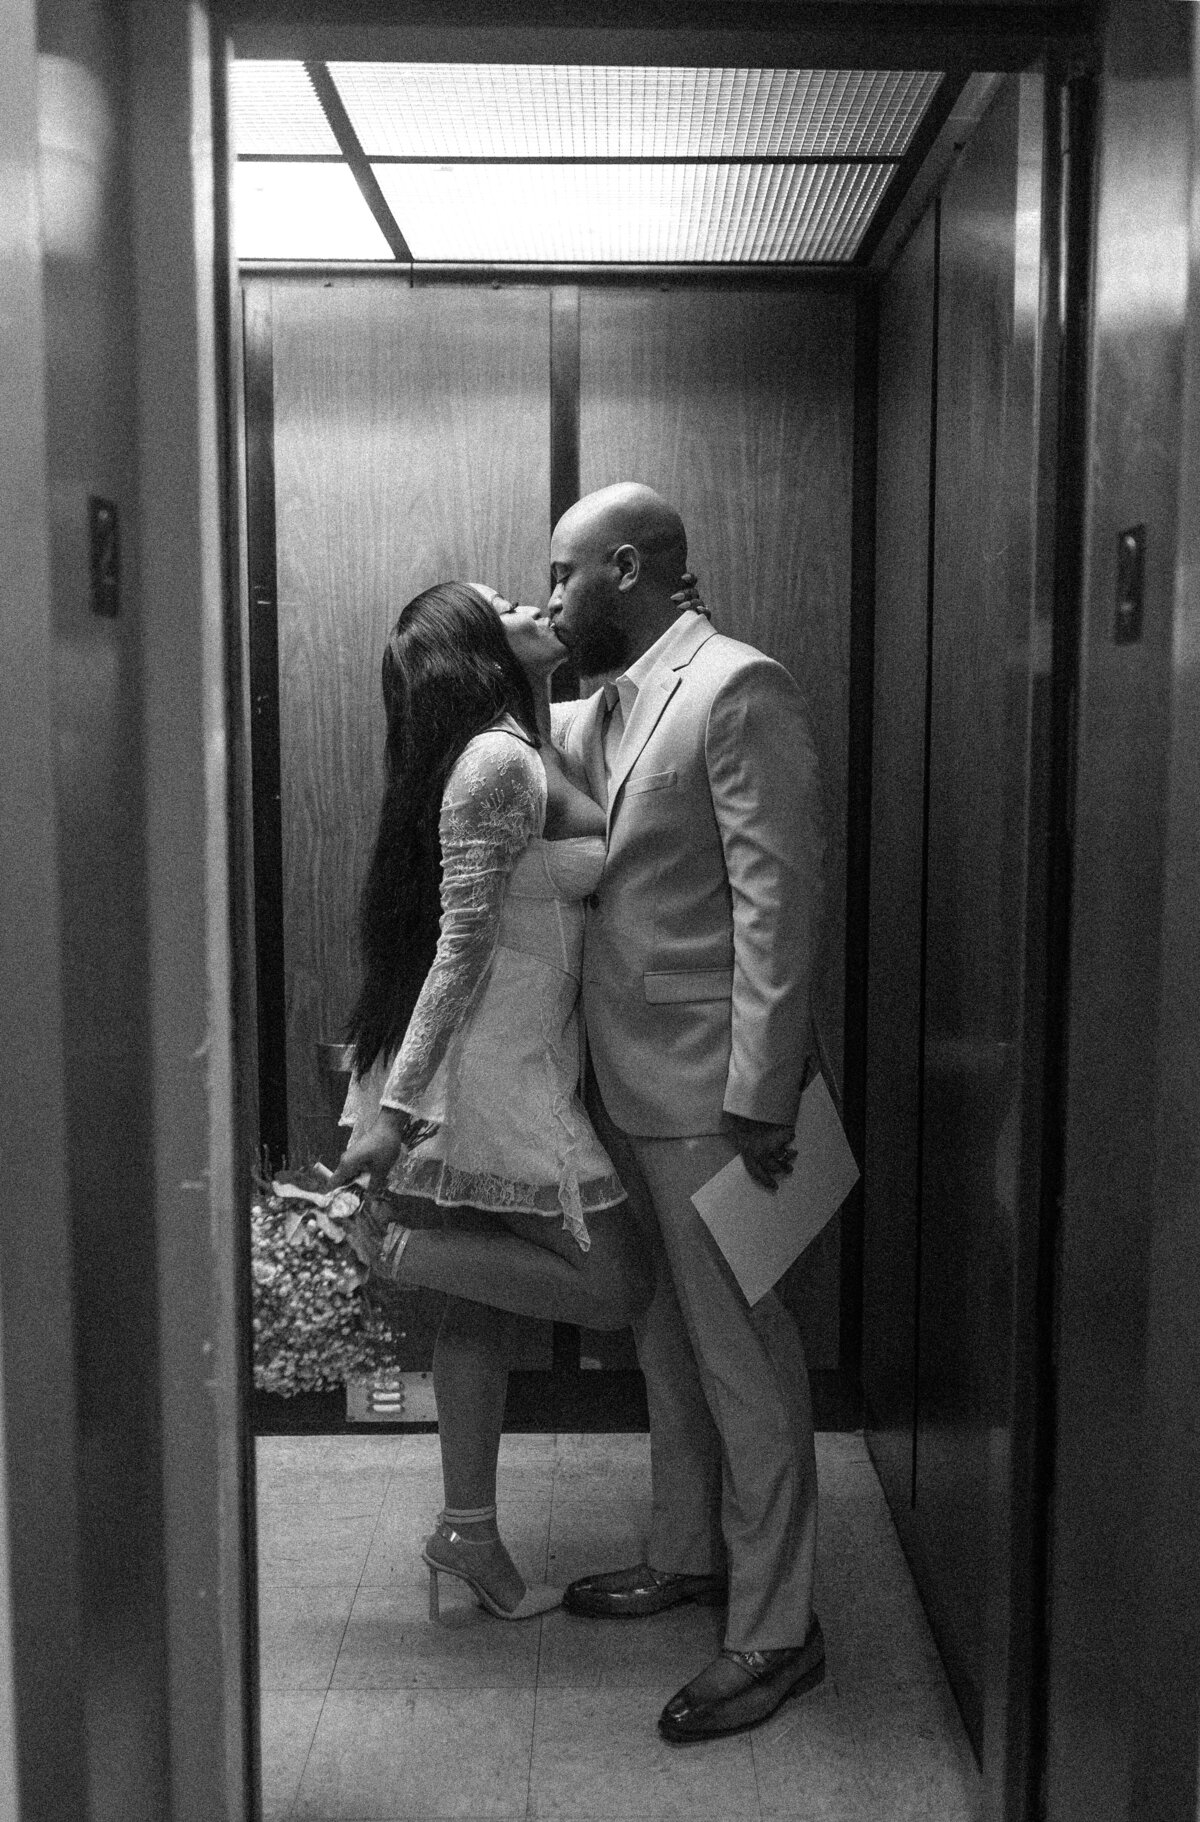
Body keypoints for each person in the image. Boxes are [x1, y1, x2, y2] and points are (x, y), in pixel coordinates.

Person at [547, 482, 829, 1743]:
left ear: (627, 566)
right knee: (667, 1337)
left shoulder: (738, 688)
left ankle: (777, 1631)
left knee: (742, 1355)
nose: (551, 597)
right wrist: (511, 638)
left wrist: (764, 1091)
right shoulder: (609, 701)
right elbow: (492, 718)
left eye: (562, 575)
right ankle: (687, 1551)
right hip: (624, 1076)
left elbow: (781, 895)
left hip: (718, 1094)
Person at [327, 579, 655, 1622]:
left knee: (481, 1308)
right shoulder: (498, 762)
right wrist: (398, 1114)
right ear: (477, 648)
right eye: (506, 602)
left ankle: (466, 1531)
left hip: (503, 1057)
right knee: (615, 1286)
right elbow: (460, 953)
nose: (532, 601)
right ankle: (396, 1252)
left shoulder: (528, 738)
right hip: (486, 1075)